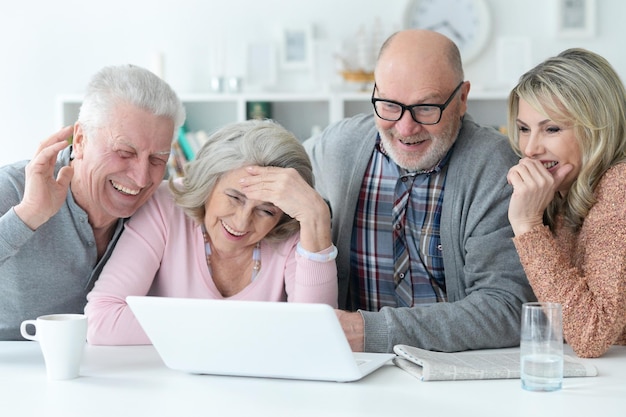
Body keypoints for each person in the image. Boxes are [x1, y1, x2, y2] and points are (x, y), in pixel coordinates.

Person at [303, 29, 534, 353]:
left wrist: (367, 331)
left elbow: (506, 309)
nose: (405, 128)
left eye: (426, 108)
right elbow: (259, 165)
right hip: (352, 369)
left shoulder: (496, 168)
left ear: (462, 98)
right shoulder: (338, 148)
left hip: (454, 374)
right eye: (389, 105)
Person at [85, 119, 338, 345]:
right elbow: (101, 320)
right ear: (209, 182)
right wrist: (246, 330)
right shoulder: (165, 206)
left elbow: (315, 340)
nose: (241, 222)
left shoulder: (293, 229)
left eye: (266, 211)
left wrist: (316, 219)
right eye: (234, 197)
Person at [0, 64, 185, 340]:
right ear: (82, 139)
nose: (141, 177)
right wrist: (28, 216)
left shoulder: (157, 210)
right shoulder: (15, 188)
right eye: (125, 152)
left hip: (108, 370)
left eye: (158, 159)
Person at [506, 48, 626, 358]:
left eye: (552, 129)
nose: (530, 148)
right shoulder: (560, 190)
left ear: (597, 128)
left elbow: (591, 335)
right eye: (523, 129)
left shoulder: (619, 186)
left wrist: (528, 226)